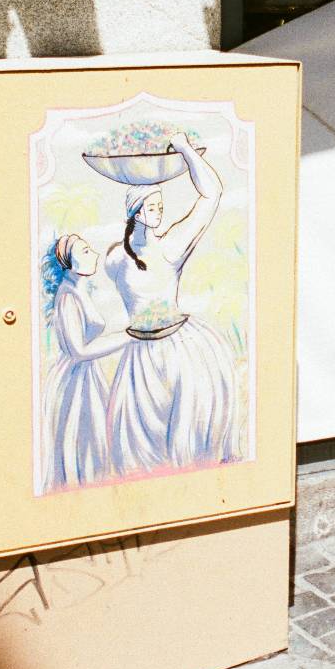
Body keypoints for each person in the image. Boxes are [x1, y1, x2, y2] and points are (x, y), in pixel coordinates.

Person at [104, 135, 239, 476]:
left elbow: (211, 194)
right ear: (136, 212)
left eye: (161, 206)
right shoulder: (115, 258)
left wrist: (185, 149)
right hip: (140, 355)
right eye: (152, 207)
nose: (160, 212)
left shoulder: (171, 246)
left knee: (189, 433)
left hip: (180, 348)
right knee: (139, 443)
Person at [40, 234, 130, 492]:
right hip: (74, 383)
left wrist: (128, 335)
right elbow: (79, 351)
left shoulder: (80, 289)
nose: (95, 254)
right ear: (67, 262)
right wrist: (127, 337)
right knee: (79, 441)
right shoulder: (67, 297)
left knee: (95, 441)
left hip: (88, 376)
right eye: (85, 250)